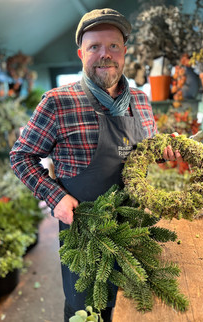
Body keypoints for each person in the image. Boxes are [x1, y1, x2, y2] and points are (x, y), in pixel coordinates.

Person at [10, 8, 182, 322]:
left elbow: (141, 152)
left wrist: (163, 150)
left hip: (133, 233)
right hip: (84, 237)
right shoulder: (57, 102)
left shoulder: (141, 101)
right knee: (86, 311)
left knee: (134, 308)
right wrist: (55, 197)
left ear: (125, 52)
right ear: (81, 54)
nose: (105, 55)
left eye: (113, 46)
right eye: (94, 47)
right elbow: (21, 156)